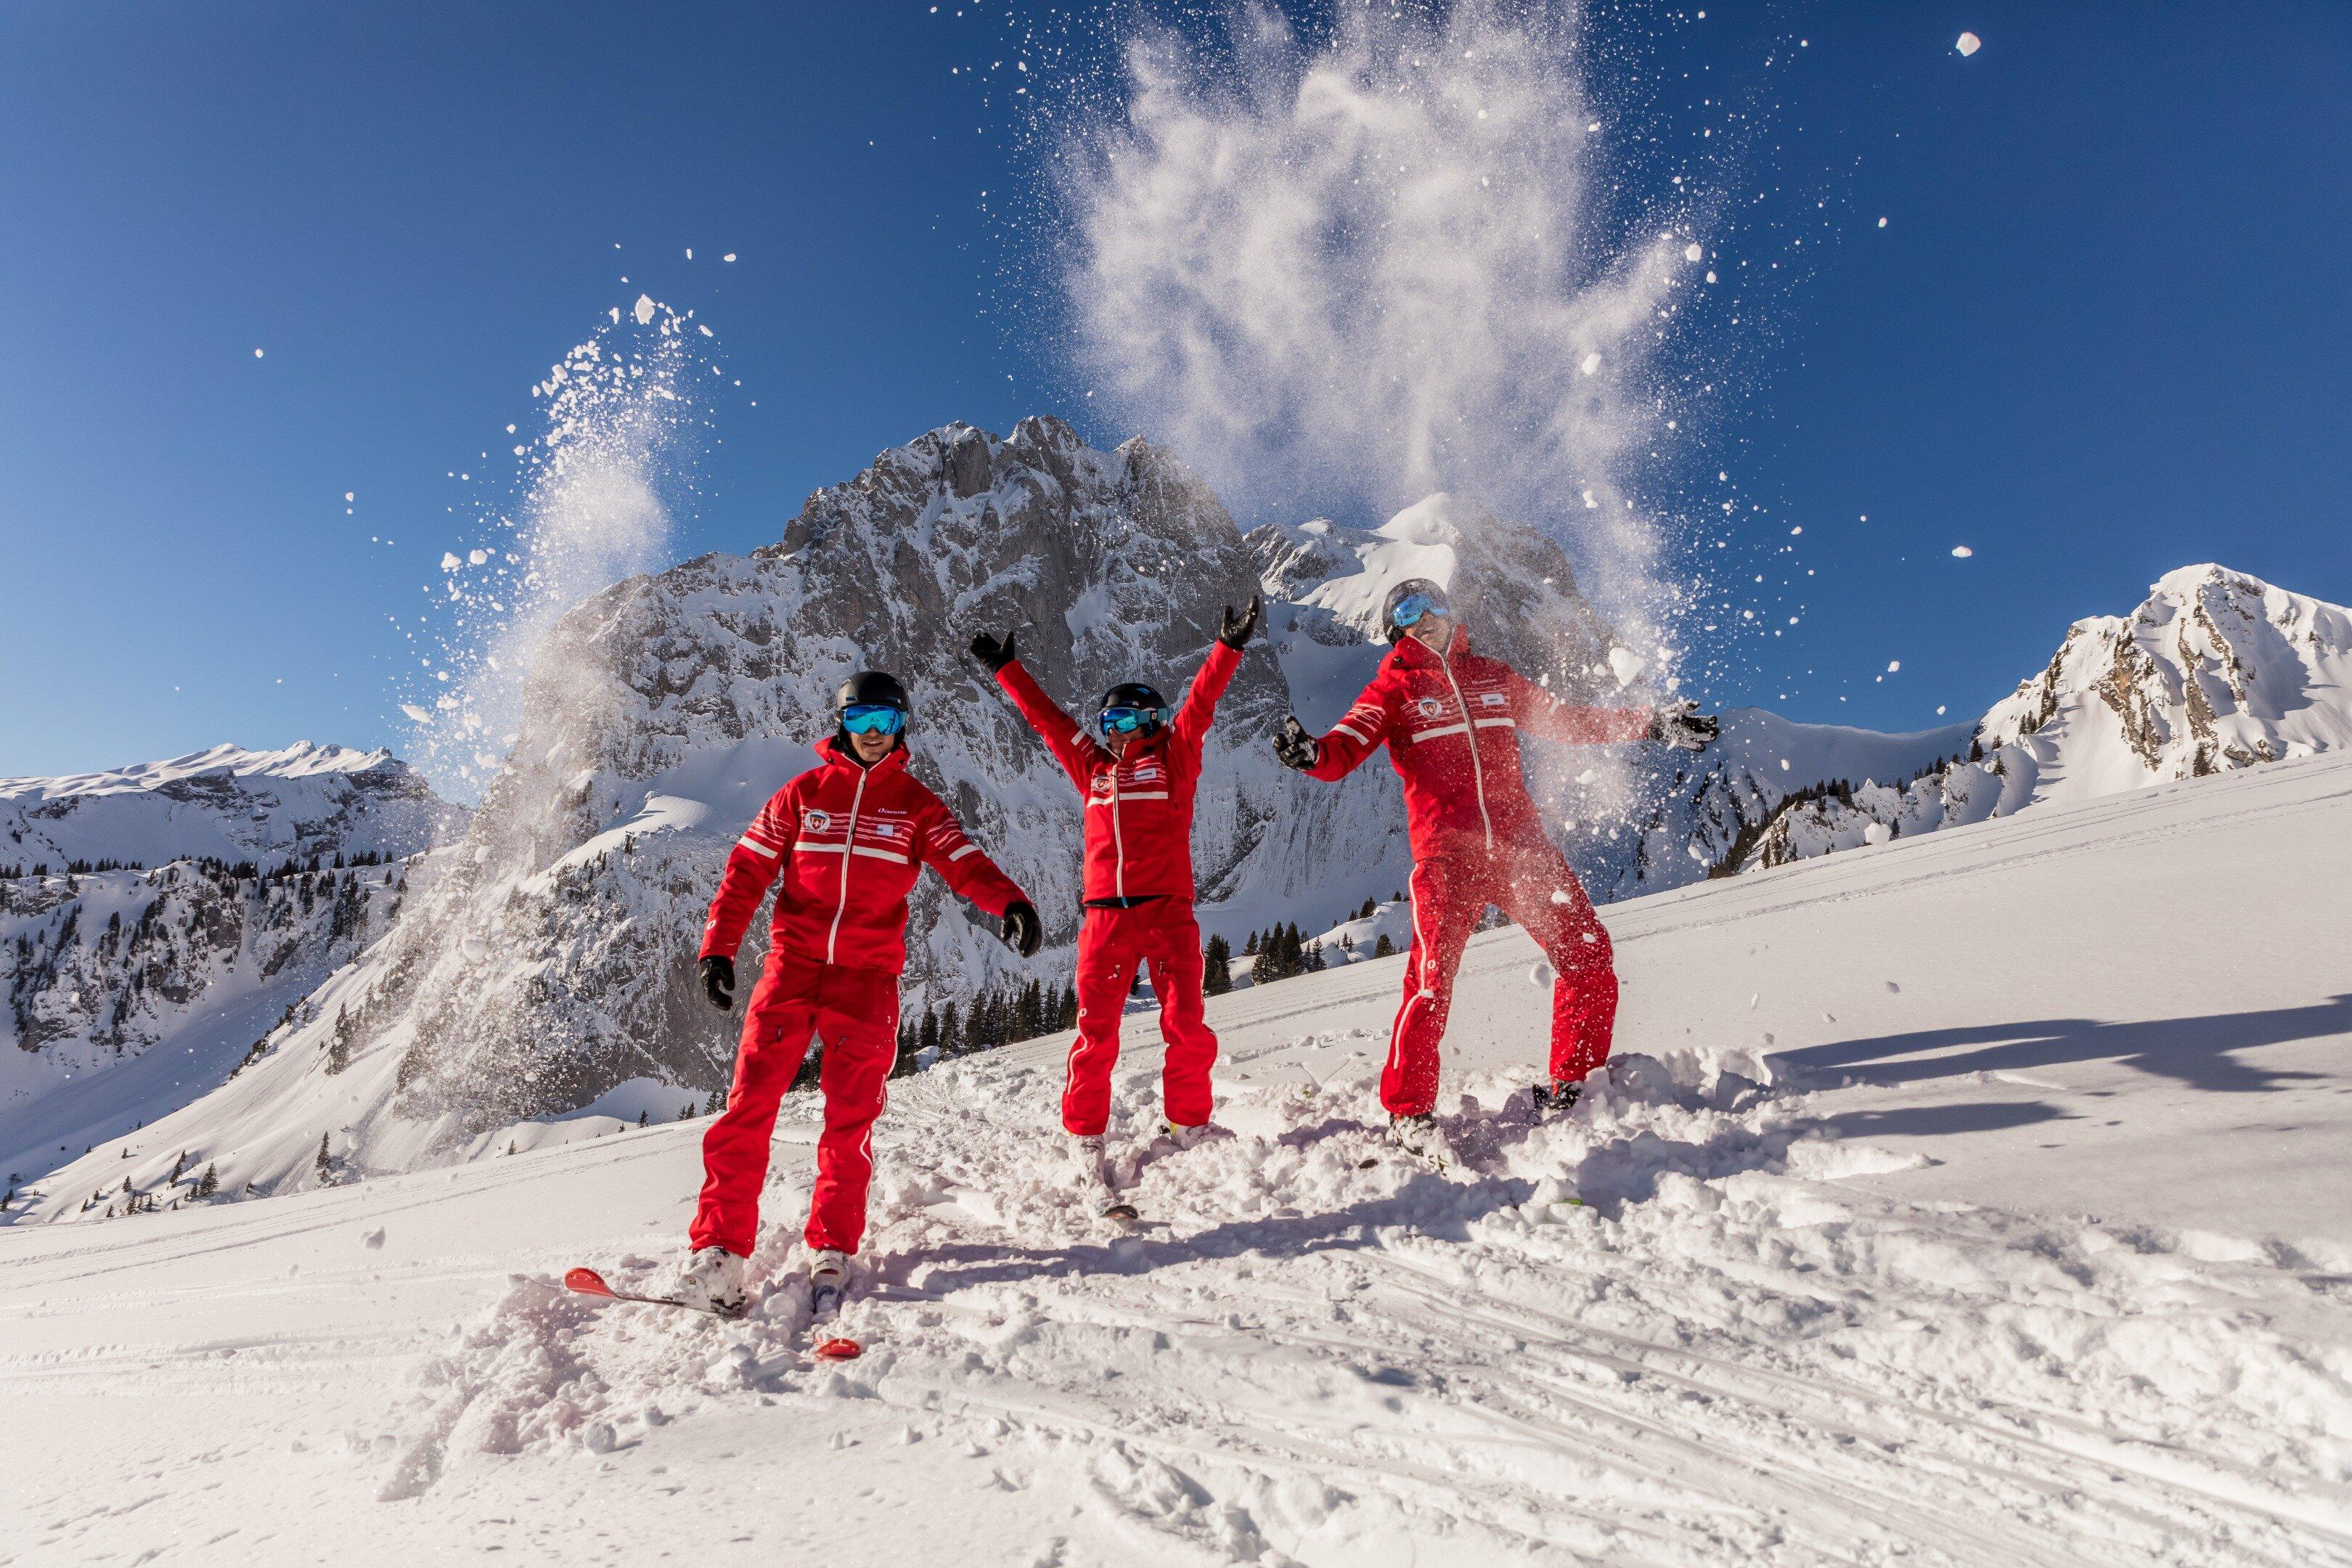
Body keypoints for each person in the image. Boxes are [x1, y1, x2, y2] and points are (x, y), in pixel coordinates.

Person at [1271, 579, 1715, 1156]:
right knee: (1430, 984)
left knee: (1588, 954)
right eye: (1409, 610)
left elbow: (1569, 721)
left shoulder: (1492, 676)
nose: (1427, 616)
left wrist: (1649, 724)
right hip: (1447, 860)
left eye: (1436, 604)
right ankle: (1408, 1113)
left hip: (1521, 852)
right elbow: (1345, 746)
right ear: (1395, 628)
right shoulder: (1393, 689)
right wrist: (1312, 754)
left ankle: (1571, 1088)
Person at [679, 671, 1041, 1316]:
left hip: (867, 981)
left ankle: (833, 1247)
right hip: (791, 969)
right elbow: (747, 871)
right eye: (860, 720)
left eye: (885, 721)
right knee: (747, 1110)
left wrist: (1008, 900)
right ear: (841, 724)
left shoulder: (916, 806)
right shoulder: (802, 795)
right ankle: (720, 1250)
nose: (872, 733)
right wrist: (718, 947)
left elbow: (964, 861)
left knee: (849, 1124)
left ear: (901, 728)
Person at [969, 595, 1259, 1204]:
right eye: (1107, 724)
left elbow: (1201, 705)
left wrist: (1227, 648)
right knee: (1095, 1033)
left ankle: (1188, 1124)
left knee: (1185, 1023)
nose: (1113, 733)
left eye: (1124, 722)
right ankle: (1085, 1136)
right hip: (1104, 920)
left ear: (1151, 720)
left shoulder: (1174, 758)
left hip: (1168, 913)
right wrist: (1008, 671)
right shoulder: (1094, 769)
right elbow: (1048, 722)